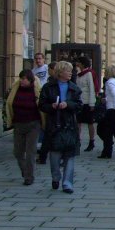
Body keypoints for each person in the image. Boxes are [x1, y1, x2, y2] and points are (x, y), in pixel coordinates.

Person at [38, 61, 83, 194]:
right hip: (54, 123)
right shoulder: (48, 87)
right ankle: (56, 177)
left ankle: (67, 183)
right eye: (67, 71)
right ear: (60, 72)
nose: (70, 73)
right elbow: (41, 104)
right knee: (55, 154)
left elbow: (79, 105)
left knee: (70, 155)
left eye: (71, 71)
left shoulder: (74, 88)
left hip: (69, 124)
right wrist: (51, 106)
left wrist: (68, 104)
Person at [6, 69, 44, 185]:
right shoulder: (15, 88)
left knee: (30, 152)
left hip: (33, 123)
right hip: (18, 123)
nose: (21, 81)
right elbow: (9, 103)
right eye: (20, 78)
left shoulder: (36, 90)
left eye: (24, 79)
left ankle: (29, 177)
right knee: (17, 152)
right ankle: (25, 170)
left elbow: (41, 106)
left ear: (30, 80)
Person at [75, 56, 97, 151]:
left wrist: (92, 103)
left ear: (83, 63)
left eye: (78, 62)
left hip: (88, 101)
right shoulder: (78, 74)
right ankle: (78, 141)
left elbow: (92, 88)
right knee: (78, 122)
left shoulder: (89, 74)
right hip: (80, 101)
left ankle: (91, 141)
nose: (77, 64)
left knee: (90, 123)